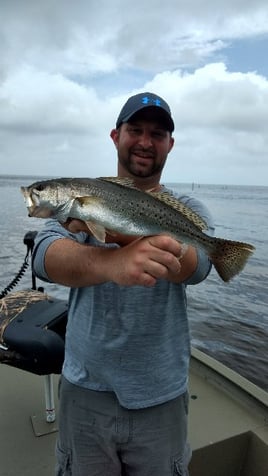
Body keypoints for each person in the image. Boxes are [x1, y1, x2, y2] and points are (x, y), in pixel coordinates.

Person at [32, 92, 214, 476]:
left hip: (160, 393)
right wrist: (113, 262)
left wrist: (131, 241)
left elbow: (199, 266)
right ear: (116, 135)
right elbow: (45, 256)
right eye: (135, 130)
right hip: (85, 388)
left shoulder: (189, 209)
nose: (146, 141)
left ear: (170, 145)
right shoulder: (83, 200)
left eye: (158, 133)